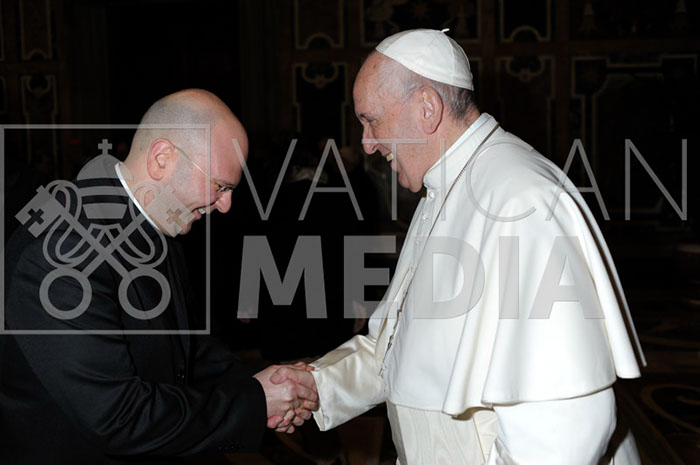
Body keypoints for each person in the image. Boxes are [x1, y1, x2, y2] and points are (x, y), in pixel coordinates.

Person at [269, 30, 646, 464]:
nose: (367, 143)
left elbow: (562, 434)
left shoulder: (520, 201)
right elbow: (393, 347)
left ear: (427, 108)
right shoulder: (444, 188)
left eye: (372, 120)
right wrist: (318, 386)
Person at [0, 89, 317, 464]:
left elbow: (185, 349)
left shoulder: (158, 223)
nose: (226, 205)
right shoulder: (60, 255)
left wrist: (266, 383)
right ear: (162, 158)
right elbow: (119, 418)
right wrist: (255, 402)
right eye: (220, 186)